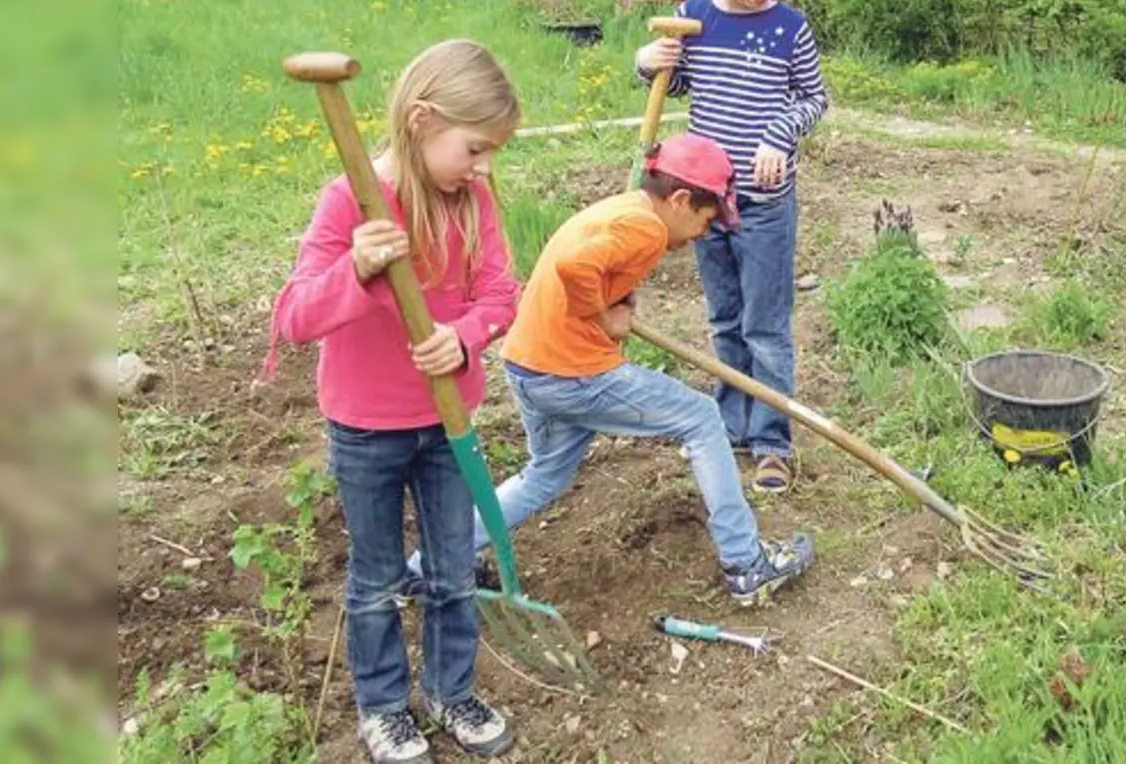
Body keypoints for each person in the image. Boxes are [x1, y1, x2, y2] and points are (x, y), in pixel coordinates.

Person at [259, 39, 521, 763]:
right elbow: (295, 317)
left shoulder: (475, 201)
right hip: (367, 429)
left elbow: (503, 295)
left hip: (449, 424)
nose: (483, 167)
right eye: (474, 148)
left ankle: (449, 690)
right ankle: (383, 708)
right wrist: (359, 267)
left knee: (451, 571)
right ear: (422, 119)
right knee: (375, 578)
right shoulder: (351, 200)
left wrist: (464, 337)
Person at [488, 132, 815, 606]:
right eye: (706, 219)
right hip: (572, 373)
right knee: (702, 418)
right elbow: (576, 267)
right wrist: (602, 316)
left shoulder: (625, 210)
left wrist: (614, 298)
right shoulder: (646, 229)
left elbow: (589, 263)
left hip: (528, 365)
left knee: (543, 476)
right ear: (681, 200)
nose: (705, 232)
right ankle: (747, 565)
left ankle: (435, 564)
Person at [634, 0, 829, 494]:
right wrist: (649, 63)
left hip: (765, 202)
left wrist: (778, 135)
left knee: (765, 325)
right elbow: (682, 82)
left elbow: (814, 99)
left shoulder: (789, 28)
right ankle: (733, 422)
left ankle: (772, 441)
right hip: (704, 203)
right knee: (724, 320)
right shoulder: (694, 18)